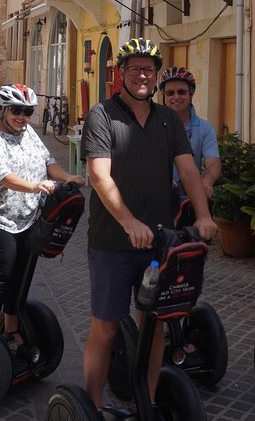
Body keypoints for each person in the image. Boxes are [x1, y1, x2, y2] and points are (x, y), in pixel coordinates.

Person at [80, 38, 217, 415]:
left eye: (149, 69)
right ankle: (91, 406)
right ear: (121, 73)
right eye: (135, 68)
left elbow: (189, 170)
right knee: (106, 328)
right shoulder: (102, 115)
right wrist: (128, 222)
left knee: (154, 325)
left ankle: (149, 401)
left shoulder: (168, 119)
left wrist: (203, 215)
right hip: (112, 241)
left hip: (159, 243)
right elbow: (98, 175)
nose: (143, 75)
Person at [0, 84, 84, 348]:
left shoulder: (28, 132)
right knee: (1, 277)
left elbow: (48, 162)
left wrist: (67, 176)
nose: (22, 117)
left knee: (22, 277)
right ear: (4, 110)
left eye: (28, 111)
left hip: (30, 219)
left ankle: (11, 329)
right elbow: (2, 176)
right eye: (17, 111)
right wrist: (35, 185)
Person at [159, 66, 222, 201]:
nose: (176, 97)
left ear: (191, 94)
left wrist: (206, 182)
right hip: (157, 199)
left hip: (190, 201)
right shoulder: (152, 125)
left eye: (181, 92)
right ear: (164, 97)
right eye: (170, 93)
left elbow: (213, 163)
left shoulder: (205, 128)